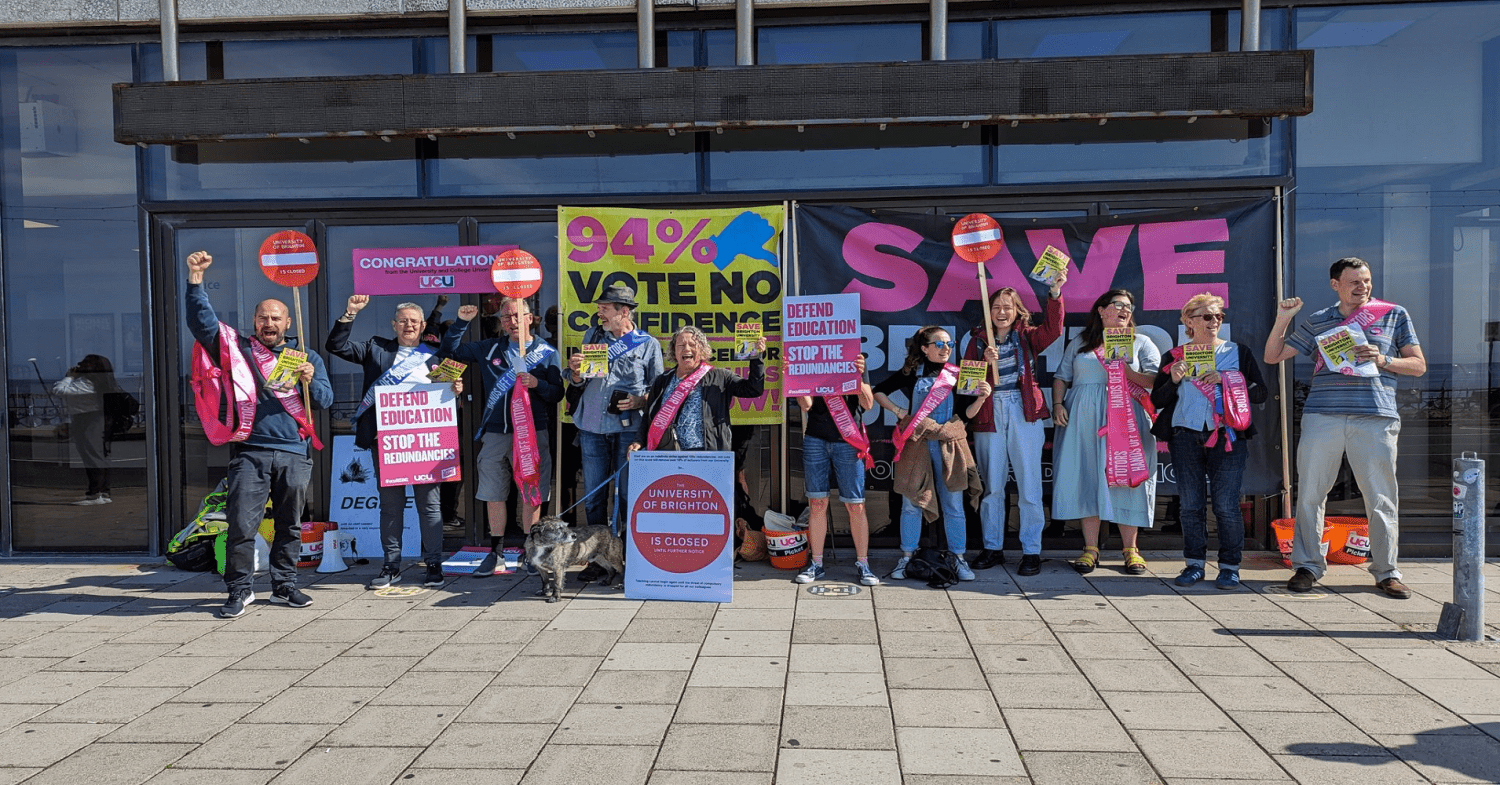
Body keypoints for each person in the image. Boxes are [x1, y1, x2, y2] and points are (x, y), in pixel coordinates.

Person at [1263, 257, 1425, 598]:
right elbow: (1273, 356)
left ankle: (1386, 571)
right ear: (1335, 284)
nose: (1362, 287)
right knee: (1310, 494)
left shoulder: (1393, 314)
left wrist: (1383, 360)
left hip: (1376, 417)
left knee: (1381, 498)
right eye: (1354, 281)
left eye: (1366, 280)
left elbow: (1418, 365)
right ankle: (1307, 566)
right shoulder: (1320, 319)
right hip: (1324, 415)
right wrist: (1283, 319)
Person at [184, 250, 332, 618]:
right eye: (263, 317)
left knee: (290, 526)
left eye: (276, 317)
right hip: (250, 452)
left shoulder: (306, 357)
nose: (269, 322)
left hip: (294, 454)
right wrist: (195, 282)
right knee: (242, 525)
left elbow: (327, 400)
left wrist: (309, 383)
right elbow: (202, 324)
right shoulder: (238, 350)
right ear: (254, 321)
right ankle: (239, 590)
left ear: (287, 322)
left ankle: (284, 587)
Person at [328, 296, 462, 590]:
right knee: (391, 507)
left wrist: (455, 389)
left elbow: (449, 397)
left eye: (414, 321)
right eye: (403, 320)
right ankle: (391, 565)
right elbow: (336, 346)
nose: (408, 325)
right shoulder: (376, 348)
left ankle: (434, 564)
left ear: (423, 325)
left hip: (426, 443)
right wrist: (350, 313)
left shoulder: (436, 354)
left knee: (430, 506)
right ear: (394, 325)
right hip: (387, 443)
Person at [1150, 293, 1269, 590]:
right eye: (1207, 316)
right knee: (1190, 506)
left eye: (1218, 316)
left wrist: (1228, 379)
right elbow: (1157, 400)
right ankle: (1194, 564)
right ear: (1189, 321)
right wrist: (1174, 380)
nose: (1214, 321)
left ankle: (1229, 567)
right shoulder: (1176, 356)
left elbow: (1261, 393)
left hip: (1227, 436)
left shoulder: (1237, 352)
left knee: (1226, 505)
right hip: (1184, 436)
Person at [442, 297, 563, 578]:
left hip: (533, 431)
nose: (512, 321)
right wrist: (461, 321)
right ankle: (496, 553)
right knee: (493, 493)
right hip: (497, 432)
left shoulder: (546, 351)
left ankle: (531, 552)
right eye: (506, 317)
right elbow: (450, 351)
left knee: (531, 493)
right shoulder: (489, 348)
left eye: (518, 316)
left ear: (530, 318)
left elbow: (558, 393)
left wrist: (538, 384)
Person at [963, 273, 1067, 576]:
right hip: (989, 412)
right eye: (996, 306)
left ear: (1017, 310)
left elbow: (1054, 329)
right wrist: (983, 361)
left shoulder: (1028, 336)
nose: (1001, 312)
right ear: (988, 310)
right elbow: (968, 386)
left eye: (1007, 307)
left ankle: (1031, 551)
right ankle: (993, 547)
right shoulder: (978, 339)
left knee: (1029, 486)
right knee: (992, 487)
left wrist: (1055, 293)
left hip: (1024, 411)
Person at [1051, 289, 1161, 575]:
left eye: (1129, 305)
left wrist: (1124, 369)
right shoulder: (1081, 342)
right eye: (1118, 305)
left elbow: (1154, 382)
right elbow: (1062, 376)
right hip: (1084, 420)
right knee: (1089, 477)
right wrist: (1057, 404)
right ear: (1101, 310)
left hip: (1128, 419)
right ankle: (1090, 548)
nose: (1125, 310)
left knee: (1127, 478)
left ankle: (1131, 550)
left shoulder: (1141, 343)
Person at [875, 327, 988, 582]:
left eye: (949, 343)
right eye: (939, 344)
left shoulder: (958, 375)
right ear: (924, 348)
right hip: (918, 444)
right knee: (911, 503)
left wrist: (981, 398)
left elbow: (966, 415)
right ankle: (906, 557)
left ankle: (958, 559)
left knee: (954, 505)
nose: (945, 348)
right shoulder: (910, 373)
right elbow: (878, 391)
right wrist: (899, 411)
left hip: (949, 446)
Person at [565, 284, 664, 534]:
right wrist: (576, 373)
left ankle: (625, 554)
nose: (600, 313)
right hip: (591, 427)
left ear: (624, 312)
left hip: (629, 430)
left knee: (628, 495)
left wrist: (640, 401)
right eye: (599, 308)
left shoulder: (648, 344)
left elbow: (660, 390)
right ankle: (597, 555)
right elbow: (582, 380)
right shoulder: (593, 336)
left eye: (605, 308)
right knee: (594, 496)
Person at [794, 353, 879, 586]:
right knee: (817, 503)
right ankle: (816, 563)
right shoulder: (809, 361)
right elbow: (806, 405)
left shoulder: (855, 359)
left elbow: (868, 404)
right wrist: (792, 378)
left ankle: (864, 564)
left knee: (855, 504)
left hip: (848, 440)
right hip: (815, 438)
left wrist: (859, 375)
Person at [631, 326, 765, 452]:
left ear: (702, 350)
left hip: (708, 455)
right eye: (681, 345)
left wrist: (756, 358)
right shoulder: (662, 381)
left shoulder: (720, 377)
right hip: (670, 454)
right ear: (674, 351)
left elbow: (753, 389)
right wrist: (639, 441)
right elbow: (648, 416)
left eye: (692, 345)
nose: (686, 349)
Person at [54, 354, 124, 506]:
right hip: (98, 418)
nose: (79, 365)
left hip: (87, 419)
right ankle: (104, 493)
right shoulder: (101, 383)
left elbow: (59, 390)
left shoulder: (86, 383)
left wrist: (69, 376)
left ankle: (95, 494)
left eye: (84, 364)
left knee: (91, 456)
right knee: (100, 456)